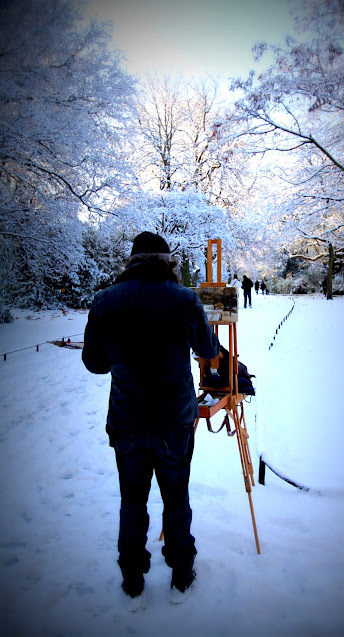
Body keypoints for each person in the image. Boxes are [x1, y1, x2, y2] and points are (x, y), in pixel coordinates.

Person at [82, 232, 220, 605]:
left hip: (127, 422)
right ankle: (180, 570)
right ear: (167, 260)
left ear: (131, 261)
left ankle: (132, 577)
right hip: (174, 421)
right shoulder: (184, 298)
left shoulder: (105, 301)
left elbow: (94, 364)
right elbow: (208, 350)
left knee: (132, 500)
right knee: (176, 496)